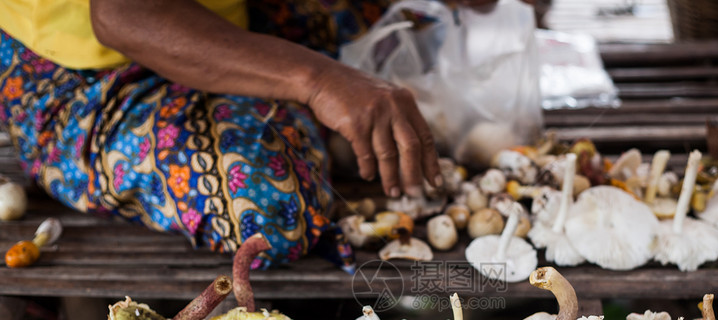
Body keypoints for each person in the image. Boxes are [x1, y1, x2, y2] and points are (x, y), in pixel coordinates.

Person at [0, 0, 491, 270]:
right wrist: (317, 80)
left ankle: (291, 100)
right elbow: (123, 14)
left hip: (222, 12)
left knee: (403, 17)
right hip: (84, 65)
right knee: (269, 206)